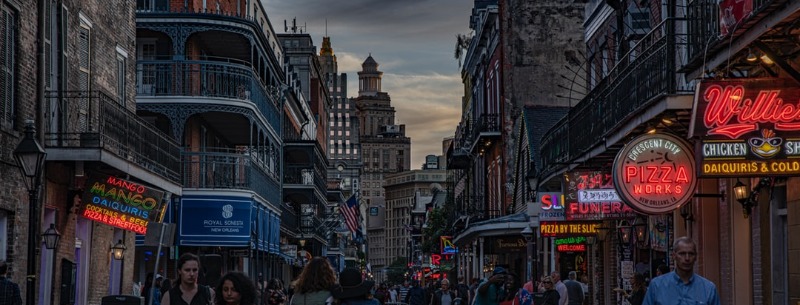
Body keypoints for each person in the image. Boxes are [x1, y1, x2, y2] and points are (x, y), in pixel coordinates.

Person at [643, 237, 720, 305]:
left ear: (696, 257)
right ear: (674, 256)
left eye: (691, 254)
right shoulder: (657, 286)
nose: (687, 258)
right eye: (682, 254)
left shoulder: (708, 289)